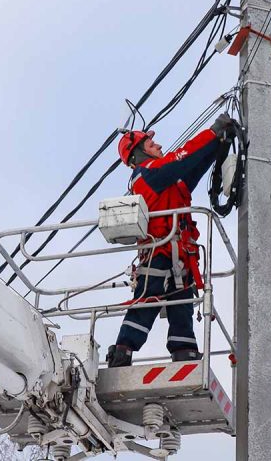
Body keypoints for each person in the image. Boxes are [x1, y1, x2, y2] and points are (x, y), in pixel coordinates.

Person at [106, 113, 235, 367]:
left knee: (182, 307)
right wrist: (212, 132)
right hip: (159, 252)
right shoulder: (147, 174)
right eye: (151, 144)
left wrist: (218, 144)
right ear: (138, 153)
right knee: (147, 300)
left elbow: (193, 165)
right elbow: (182, 158)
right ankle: (122, 351)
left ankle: (184, 353)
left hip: (180, 255)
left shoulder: (166, 180)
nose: (159, 145)